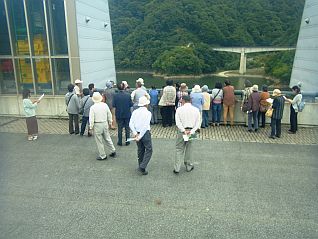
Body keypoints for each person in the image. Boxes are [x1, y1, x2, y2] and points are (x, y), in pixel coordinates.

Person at [174, 95, 200, 174]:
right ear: (190, 101)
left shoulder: (179, 109)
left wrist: (183, 130)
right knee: (189, 148)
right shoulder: (196, 110)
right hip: (191, 130)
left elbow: (177, 122)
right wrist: (191, 131)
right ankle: (188, 166)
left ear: (183, 101)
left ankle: (177, 168)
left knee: (179, 148)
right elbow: (198, 123)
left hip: (182, 131)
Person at [89, 92, 116, 160]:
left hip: (97, 124)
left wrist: (91, 127)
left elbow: (91, 118)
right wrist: (110, 122)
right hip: (105, 123)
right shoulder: (105, 105)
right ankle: (113, 150)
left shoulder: (93, 107)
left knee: (99, 141)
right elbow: (109, 114)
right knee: (107, 138)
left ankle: (103, 155)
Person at [129, 96, 152, 175]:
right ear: (146, 104)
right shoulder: (148, 113)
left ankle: (140, 165)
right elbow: (145, 126)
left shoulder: (135, 112)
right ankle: (143, 165)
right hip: (145, 133)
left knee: (140, 149)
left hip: (137, 132)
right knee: (149, 149)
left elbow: (130, 123)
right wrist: (140, 135)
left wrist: (135, 133)